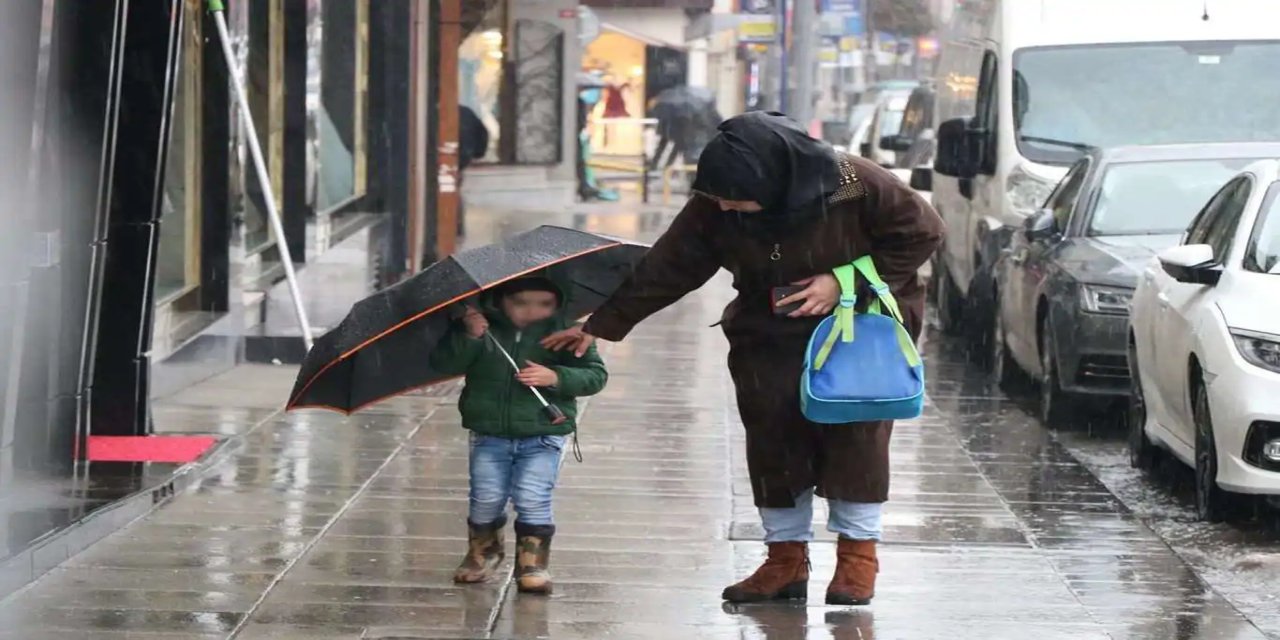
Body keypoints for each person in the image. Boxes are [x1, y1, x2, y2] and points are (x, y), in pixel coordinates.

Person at [542, 112, 943, 606]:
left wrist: (843, 280)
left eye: (737, 198)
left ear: (775, 178)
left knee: (855, 436)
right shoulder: (718, 200)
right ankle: (784, 561)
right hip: (767, 329)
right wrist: (602, 323)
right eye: (720, 198)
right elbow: (671, 265)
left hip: (857, 329)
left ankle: (858, 561)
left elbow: (923, 233)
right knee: (773, 439)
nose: (727, 206)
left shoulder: (856, 182)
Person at [429, 276, 608, 594]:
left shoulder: (567, 333)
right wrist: (470, 336)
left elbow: (595, 376)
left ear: (558, 304)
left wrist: (556, 376)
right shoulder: (482, 330)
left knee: (533, 495)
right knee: (485, 497)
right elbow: (444, 362)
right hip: (489, 433)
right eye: (521, 302)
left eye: (544, 304)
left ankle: (533, 562)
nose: (531, 311)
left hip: (542, 433)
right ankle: (483, 552)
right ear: (501, 301)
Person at [456, 104, 489, 238]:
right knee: (453, 190)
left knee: (450, 191)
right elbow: (482, 133)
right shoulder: (465, 112)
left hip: (454, 157)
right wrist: (476, 153)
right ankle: (457, 228)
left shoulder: (441, 112)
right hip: (462, 157)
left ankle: (454, 227)